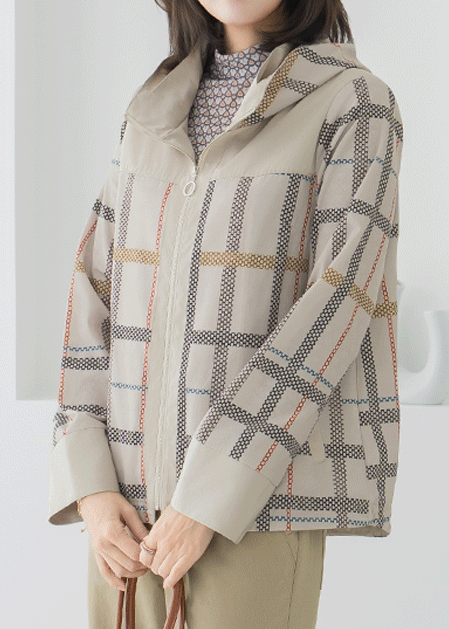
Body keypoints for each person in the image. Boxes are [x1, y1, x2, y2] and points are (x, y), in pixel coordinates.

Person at [48, 1, 403, 627]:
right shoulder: (149, 112)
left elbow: (337, 308)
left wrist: (210, 497)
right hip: (124, 523)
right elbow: (95, 295)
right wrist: (92, 487)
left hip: (253, 512)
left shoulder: (354, 104)